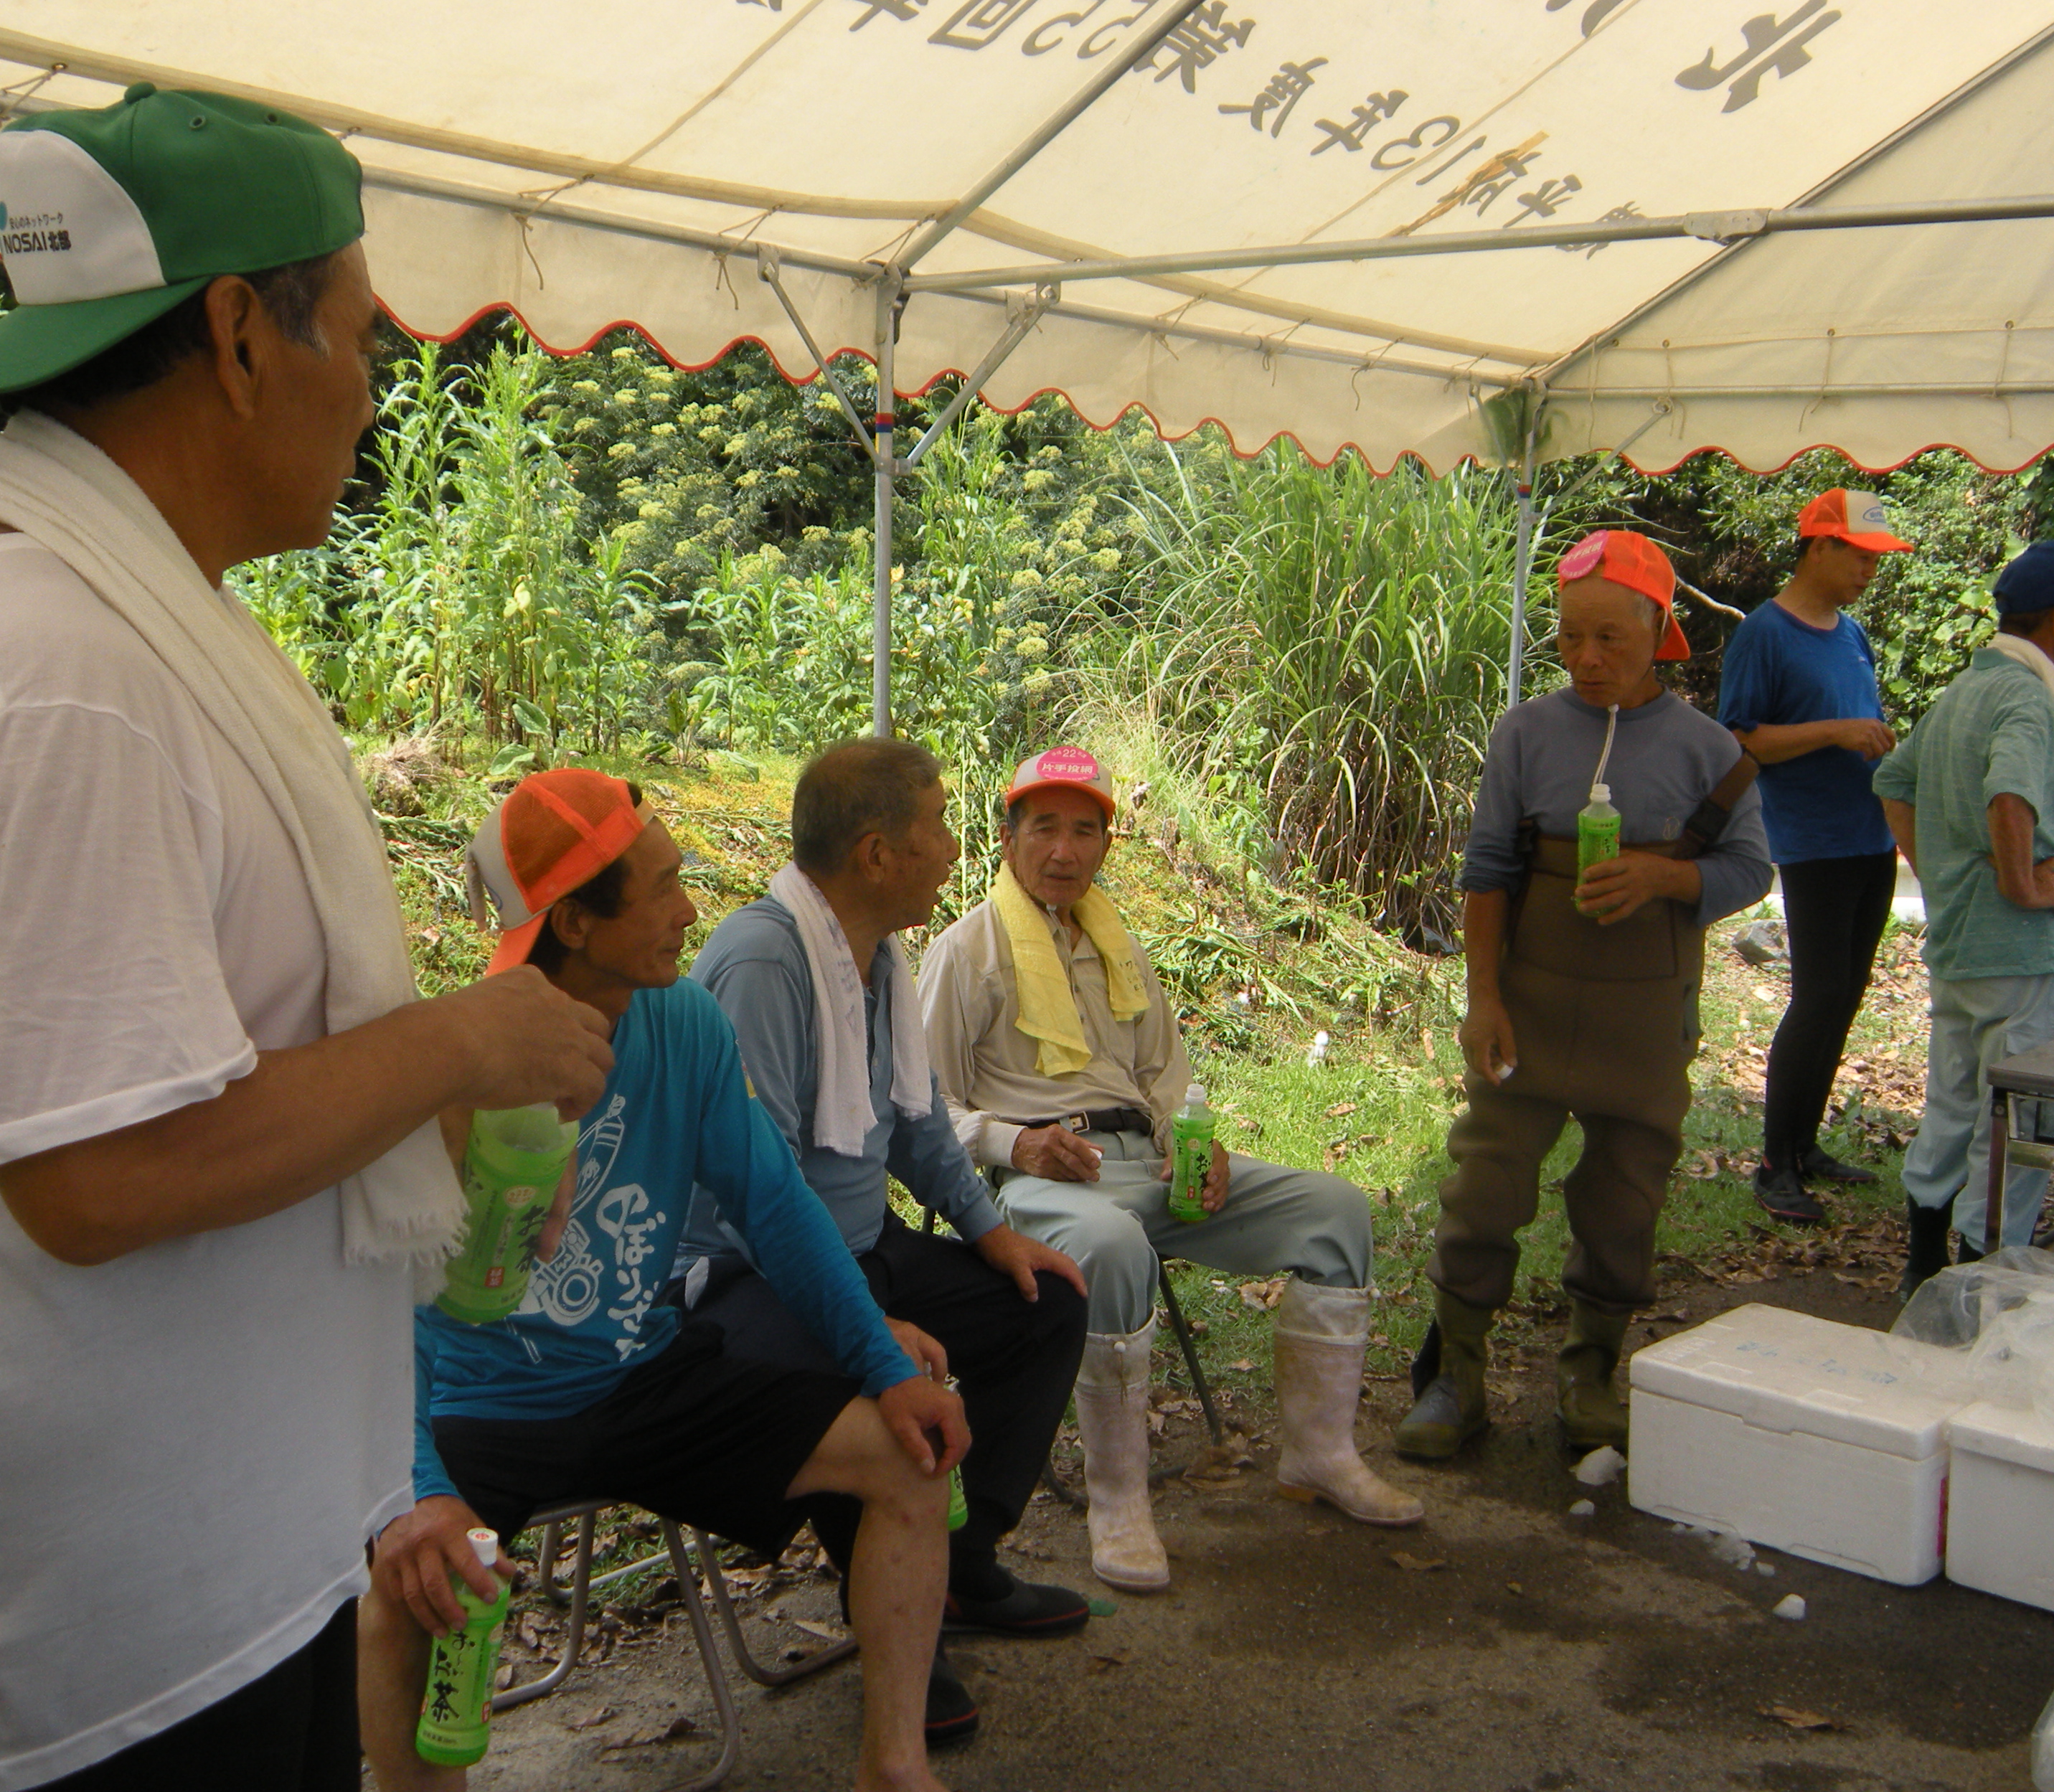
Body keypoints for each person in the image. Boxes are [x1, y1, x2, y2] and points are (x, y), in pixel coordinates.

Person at [0, 86, 614, 1790]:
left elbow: (219, 1064)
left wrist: (436, 1114)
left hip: (242, 1568)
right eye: (363, 332)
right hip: (116, 1646)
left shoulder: (132, 636)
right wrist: (459, 1043)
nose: (375, 386)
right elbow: (101, 1173)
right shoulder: (54, 676)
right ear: (246, 337)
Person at [364, 772, 968, 1789]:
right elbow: (378, 1306)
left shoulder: (684, 1023)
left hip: (635, 1375)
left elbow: (775, 1207)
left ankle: (895, 1770)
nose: (692, 910)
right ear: (575, 923)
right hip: (475, 1410)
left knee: (909, 1458)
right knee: (403, 1592)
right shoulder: (454, 1057)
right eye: (663, 889)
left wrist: (883, 1364)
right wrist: (417, 1491)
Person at [918, 745, 1422, 1594]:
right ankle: (1118, 1500)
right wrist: (1016, 1142)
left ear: (1106, 846)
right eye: (1044, 829)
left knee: (1335, 1211)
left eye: (1085, 832)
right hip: (1044, 1180)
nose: (1064, 852)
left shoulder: (1117, 945)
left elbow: (1164, 1076)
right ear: (1007, 838)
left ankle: (1321, 1453)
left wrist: (1199, 1144)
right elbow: (923, 1108)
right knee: (1113, 1246)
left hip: (1150, 1163)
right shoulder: (965, 951)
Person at [684, 738, 1093, 1644]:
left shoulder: (875, 957)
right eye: (938, 826)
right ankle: (893, 1622)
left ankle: (958, 1568)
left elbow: (915, 1121)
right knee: (875, 1382)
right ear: (876, 855)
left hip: (862, 1245)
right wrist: (865, 1325)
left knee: (1046, 1304)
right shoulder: (767, 962)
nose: (952, 850)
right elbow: (761, 1197)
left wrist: (993, 1235)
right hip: (746, 1277)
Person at [1395, 531, 1772, 1461]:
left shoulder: (1709, 752)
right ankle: (1457, 1373)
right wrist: (1483, 1000)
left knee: (1625, 1196)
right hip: (1528, 1003)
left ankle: (1591, 1371)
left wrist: (1667, 878)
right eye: (1570, 638)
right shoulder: (1525, 735)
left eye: (1612, 638)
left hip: (1643, 1019)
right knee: (1485, 1184)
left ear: (1658, 630)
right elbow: (1488, 872)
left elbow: (1750, 869)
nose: (1589, 658)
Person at [1873, 539, 2054, 1291]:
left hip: (1966, 945)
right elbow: (2010, 793)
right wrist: (2021, 881)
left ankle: (1924, 1269)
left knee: (1953, 1106)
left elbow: (1893, 781)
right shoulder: (2029, 697)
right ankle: (1983, 1283)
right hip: (2028, 954)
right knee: (2020, 1124)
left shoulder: (1969, 687)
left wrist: (1945, 872)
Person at [1716, 487, 1911, 1225]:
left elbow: (1862, 724)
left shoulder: (1852, 633)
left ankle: (1805, 1144)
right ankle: (1774, 1162)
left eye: (1877, 559)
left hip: (1870, 836)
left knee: (1846, 994)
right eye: (1861, 556)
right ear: (1820, 547)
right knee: (1819, 994)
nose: (1870, 571)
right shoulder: (1765, 634)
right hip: (1813, 841)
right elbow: (1741, 738)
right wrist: (1836, 731)